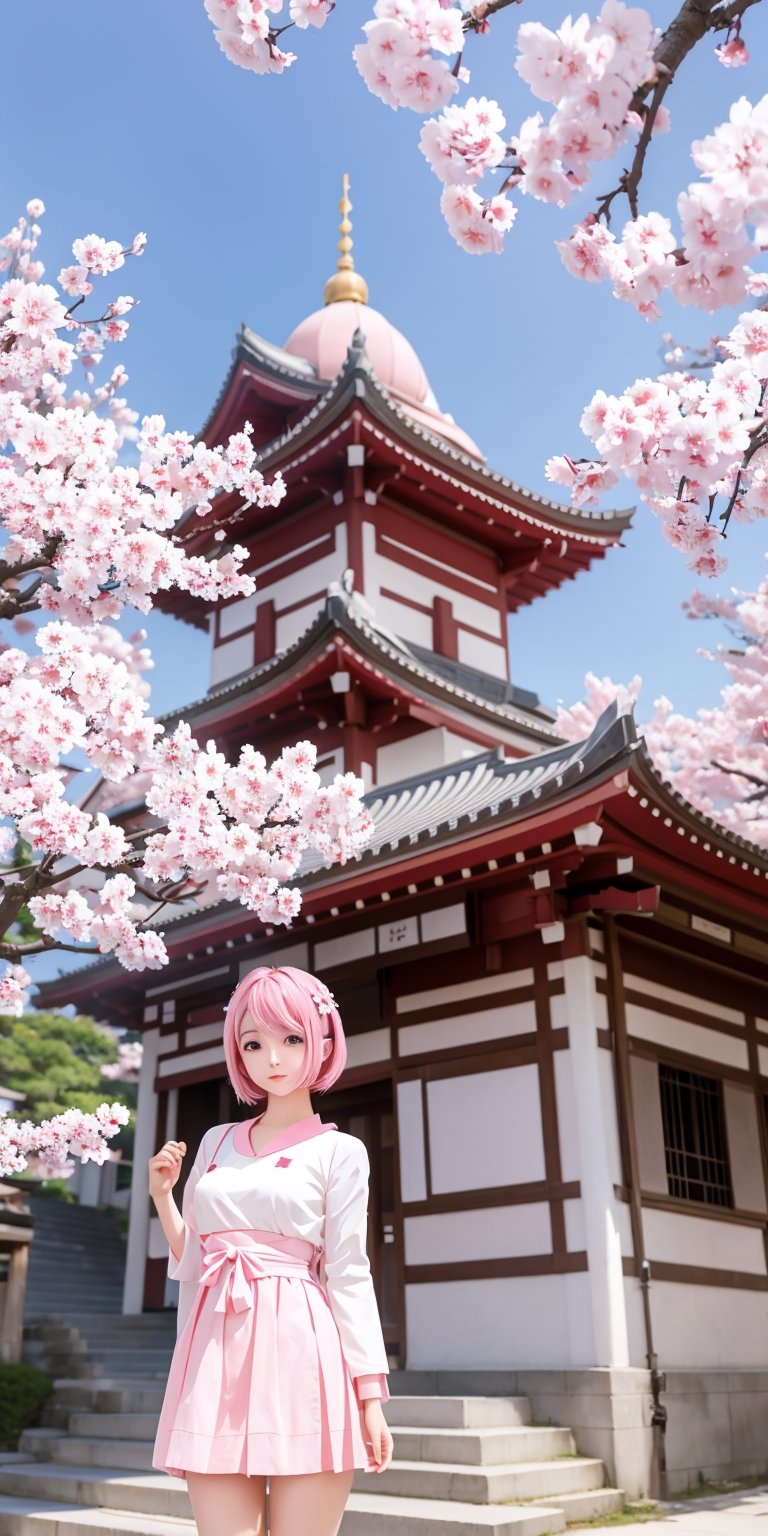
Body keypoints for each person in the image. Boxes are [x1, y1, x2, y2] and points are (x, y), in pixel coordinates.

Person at [148, 964, 393, 1536]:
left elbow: (349, 1272)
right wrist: (164, 1199)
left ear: (322, 1041)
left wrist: (371, 1395)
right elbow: (197, 1262)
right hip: (217, 1353)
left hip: (302, 1346)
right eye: (253, 1043)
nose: (273, 1059)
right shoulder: (214, 1142)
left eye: (292, 1039)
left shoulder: (342, 1152)